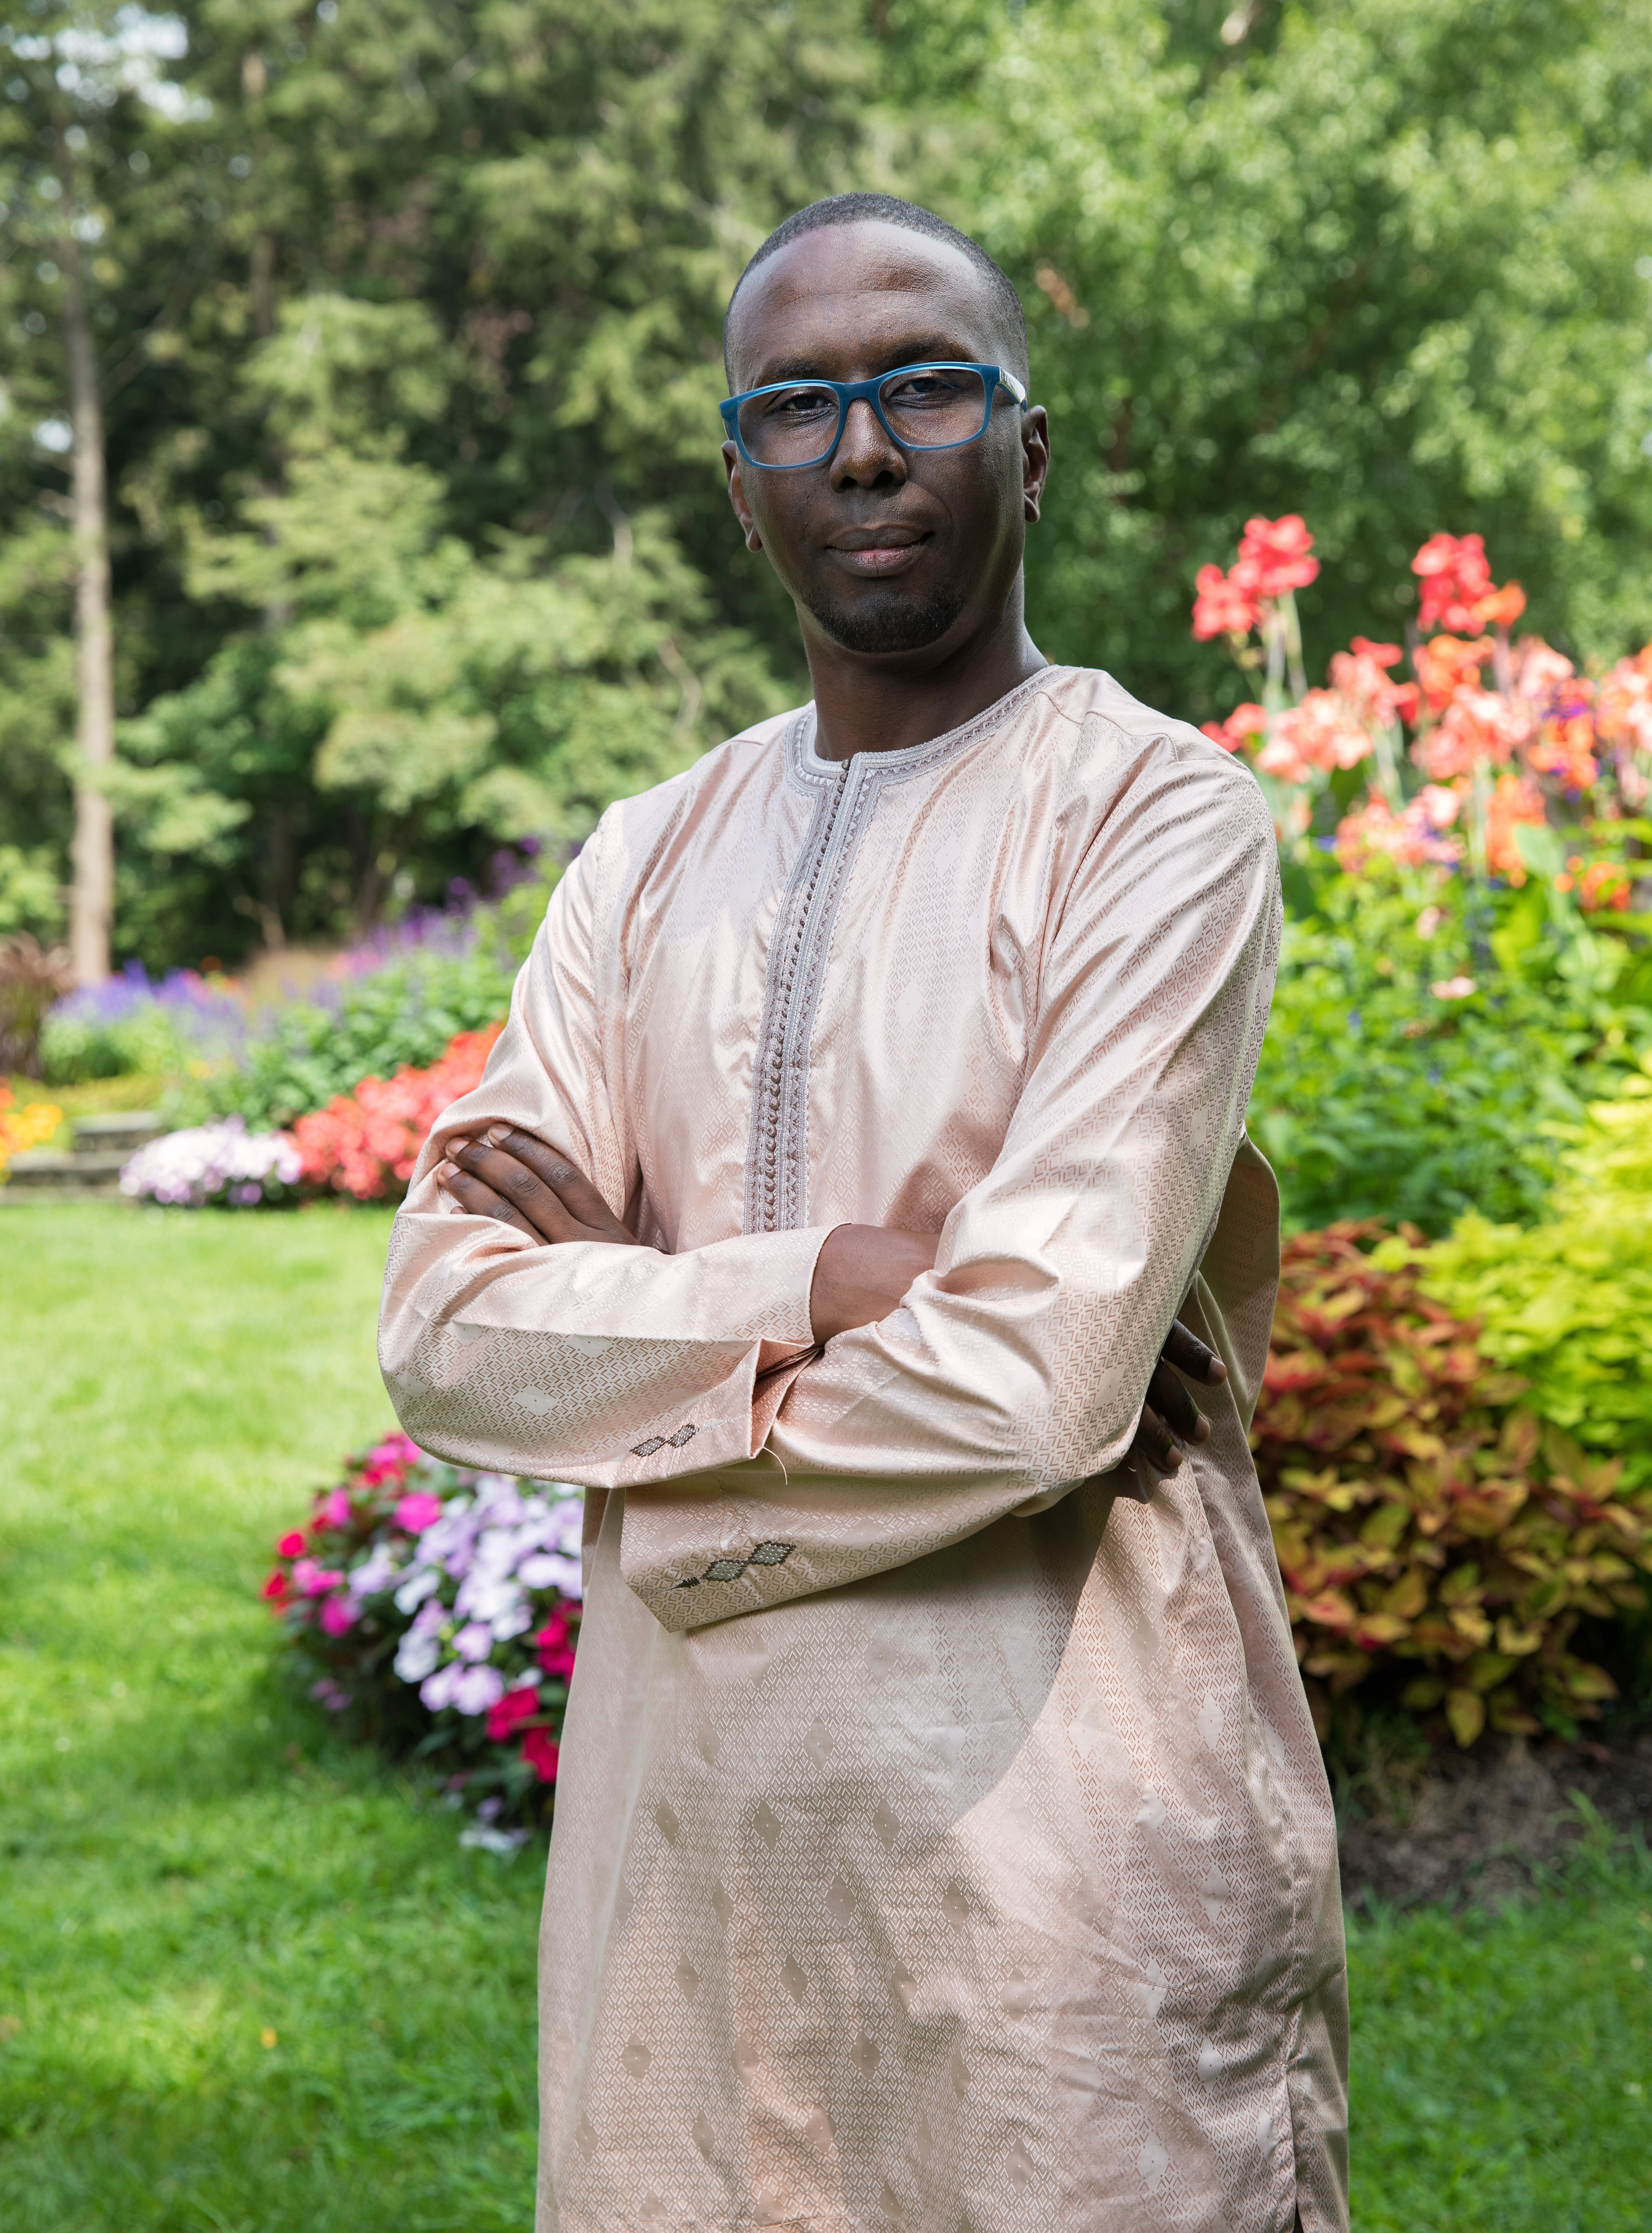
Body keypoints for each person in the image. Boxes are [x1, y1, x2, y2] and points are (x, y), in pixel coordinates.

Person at [379, 192, 1347, 2233]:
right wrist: (830, 1276)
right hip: (686, 1860)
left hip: (1055, 1833)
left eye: (925, 383)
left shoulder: (1155, 815)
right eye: (798, 406)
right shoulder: (642, 864)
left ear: (1030, 444)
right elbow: (450, 1330)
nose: (865, 444)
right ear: (742, 485)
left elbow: (1029, 1390)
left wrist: (645, 1363)